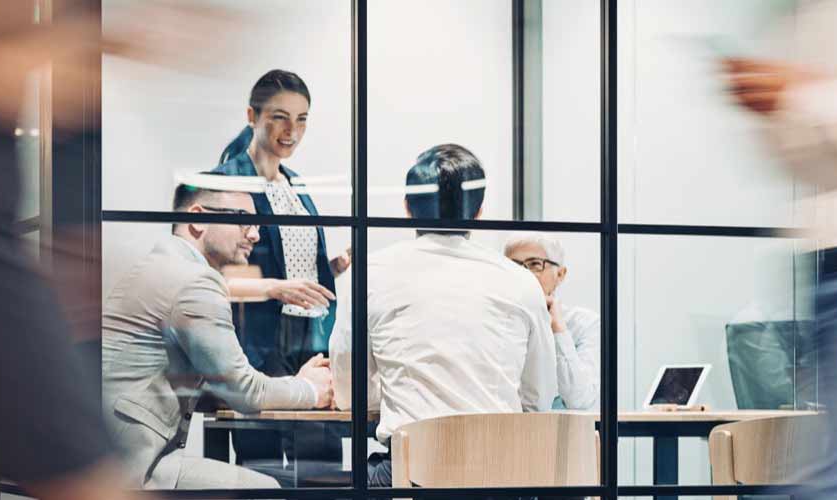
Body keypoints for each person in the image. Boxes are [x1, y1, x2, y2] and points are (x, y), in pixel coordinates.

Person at [330, 144, 557, 487]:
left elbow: (349, 392)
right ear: (479, 211)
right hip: (502, 479)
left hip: (414, 476)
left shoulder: (368, 273)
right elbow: (539, 397)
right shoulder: (521, 281)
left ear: (407, 208)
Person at [102, 177, 335, 490]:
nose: (254, 234)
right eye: (243, 221)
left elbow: (222, 384)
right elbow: (245, 392)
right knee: (265, 490)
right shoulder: (194, 281)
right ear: (198, 218)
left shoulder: (158, 266)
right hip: (132, 467)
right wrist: (310, 389)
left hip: (109, 455)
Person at [719, 1, 837, 496]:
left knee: (833, 472)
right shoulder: (798, 19)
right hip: (827, 260)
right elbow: (800, 162)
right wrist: (777, 105)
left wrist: (802, 96)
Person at [208, 68, 351, 474]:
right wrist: (275, 288)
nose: (292, 130)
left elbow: (292, 265)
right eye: (279, 116)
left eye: (302, 118)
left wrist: (334, 267)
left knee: (320, 459)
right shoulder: (225, 182)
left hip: (311, 333)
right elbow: (207, 275)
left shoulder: (296, 185)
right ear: (252, 116)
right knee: (261, 458)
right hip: (256, 336)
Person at [504, 233, 602, 410]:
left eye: (535, 264)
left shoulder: (584, 324)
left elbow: (579, 399)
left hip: (564, 434)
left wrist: (558, 329)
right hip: (507, 430)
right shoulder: (498, 321)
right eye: (513, 265)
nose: (523, 274)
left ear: (560, 274)